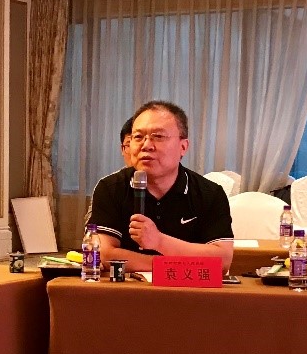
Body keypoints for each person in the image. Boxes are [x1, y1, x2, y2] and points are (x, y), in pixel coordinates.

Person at [89, 101, 234, 272]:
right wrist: (170, 266)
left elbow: (222, 261)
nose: (146, 145)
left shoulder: (210, 193)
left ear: (183, 147)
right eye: (138, 137)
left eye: (158, 136)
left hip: (187, 288)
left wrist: (159, 241)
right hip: (129, 287)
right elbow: (104, 253)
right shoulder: (110, 188)